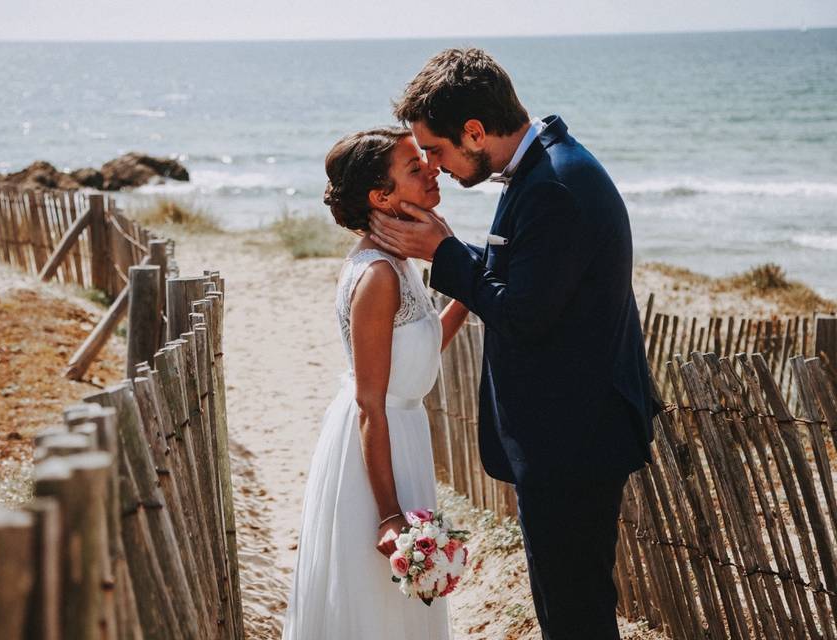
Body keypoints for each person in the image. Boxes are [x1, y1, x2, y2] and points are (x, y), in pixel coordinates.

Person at [368, 48, 661, 640]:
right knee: (565, 604)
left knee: (574, 612)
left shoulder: (556, 186)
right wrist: (453, 251)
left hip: (574, 439)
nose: (435, 165)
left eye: (438, 149)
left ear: (475, 131)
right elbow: (529, 283)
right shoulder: (545, 170)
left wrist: (445, 254)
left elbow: (522, 314)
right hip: (567, 435)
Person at [281, 127, 468, 639]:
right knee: (373, 602)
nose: (431, 168)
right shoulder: (379, 275)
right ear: (381, 197)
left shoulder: (403, 261)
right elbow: (369, 402)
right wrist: (388, 514)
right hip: (375, 443)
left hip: (403, 432)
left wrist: (471, 286)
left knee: (398, 607)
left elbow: (422, 347)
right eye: (414, 167)